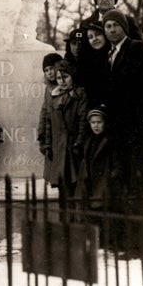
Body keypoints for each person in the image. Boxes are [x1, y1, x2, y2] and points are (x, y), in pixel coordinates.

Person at [101, 9, 143, 256]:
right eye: (107, 26)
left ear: (124, 28)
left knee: (139, 184)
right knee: (124, 184)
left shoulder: (137, 49)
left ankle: (142, 244)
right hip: (120, 130)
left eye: (116, 25)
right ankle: (128, 242)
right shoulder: (110, 54)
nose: (111, 30)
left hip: (137, 129)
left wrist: (139, 119)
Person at [75, 106, 121, 250]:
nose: (96, 125)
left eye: (99, 122)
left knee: (106, 213)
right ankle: (97, 242)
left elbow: (117, 163)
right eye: (93, 122)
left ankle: (109, 242)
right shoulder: (89, 141)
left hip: (105, 183)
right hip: (91, 182)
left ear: (104, 123)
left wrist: (112, 176)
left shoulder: (110, 140)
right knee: (93, 213)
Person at [41, 60, 88, 198]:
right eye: (59, 78)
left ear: (72, 76)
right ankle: (64, 218)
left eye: (65, 77)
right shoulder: (54, 96)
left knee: (76, 187)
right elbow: (49, 122)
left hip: (73, 147)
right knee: (63, 187)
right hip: (58, 148)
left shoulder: (79, 95)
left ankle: (76, 218)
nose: (62, 81)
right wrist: (48, 144)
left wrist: (78, 142)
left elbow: (83, 121)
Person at [36, 52, 61, 183]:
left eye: (51, 68)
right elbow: (44, 112)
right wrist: (41, 134)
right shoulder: (49, 89)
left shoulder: (64, 85)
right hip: (50, 133)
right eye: (46, 70)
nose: (49, 72)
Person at [76, 22, 110, 107]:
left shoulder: (114, 55)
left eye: (98, 34)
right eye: (90, 37)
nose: (94, 39)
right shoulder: (86, 62)